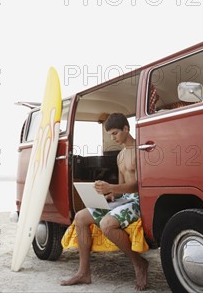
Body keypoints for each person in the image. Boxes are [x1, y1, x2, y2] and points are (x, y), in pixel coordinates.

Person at [61, 113, 148, 291]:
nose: (112, 137)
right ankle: (83, 272)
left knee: (107, 224)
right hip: (124, 199)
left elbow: (139, 186)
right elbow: (123, 185)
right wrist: (110, 195)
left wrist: (112, 188)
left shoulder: (140, 150)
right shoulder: (120, 156)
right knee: (80, 217)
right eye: (110, 134)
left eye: (115, 133)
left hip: (139, 201)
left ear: (126, 128)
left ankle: (139, 263)